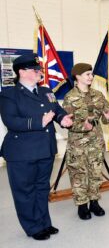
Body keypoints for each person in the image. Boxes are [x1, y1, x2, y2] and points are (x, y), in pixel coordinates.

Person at [0, 53, 73, 240]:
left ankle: (43, 223)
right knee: (25, 191)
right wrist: (39, 121)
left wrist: (62, 118)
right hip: (21, 152)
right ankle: (32, 227)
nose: (40, 72)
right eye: (35, 69)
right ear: (22, 72)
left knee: (42, 188)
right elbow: (11, 121)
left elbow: (56, 109)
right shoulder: (9, 94)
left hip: (45, 149)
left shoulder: (45, 91)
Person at [62, 63, 109, 220]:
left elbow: (106, 116)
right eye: (87, 74)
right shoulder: (70, 97)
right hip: (77, 143)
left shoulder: (98, 95)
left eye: (91, 74)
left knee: (96, 172)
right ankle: (82, 205)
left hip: (96, 141)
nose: (91, 77)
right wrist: (81, 125)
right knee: (79, 174)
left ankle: (94, 202)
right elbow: (66, 122)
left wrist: (108, 116)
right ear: (77, 76)